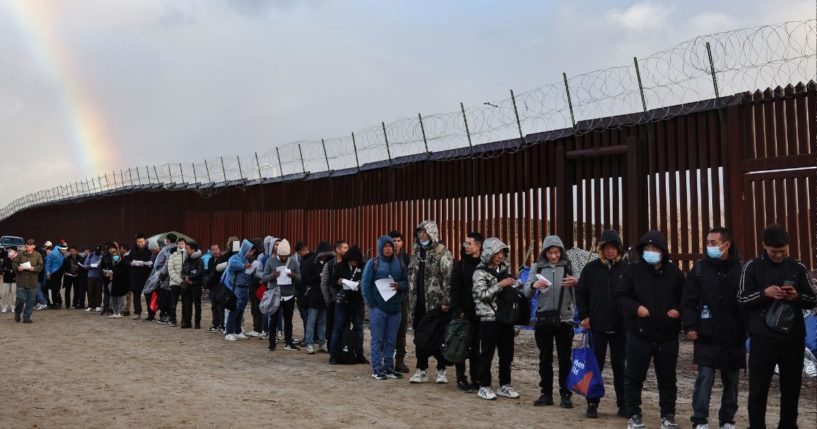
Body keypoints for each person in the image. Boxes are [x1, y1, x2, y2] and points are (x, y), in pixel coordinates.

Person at [738, 224, 817, 429]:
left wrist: (796, 296)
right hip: (762, 338)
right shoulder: (752, 267)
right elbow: (742, 298)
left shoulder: (797, 267)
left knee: (791, 389)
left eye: (783, 251)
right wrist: (765, 293)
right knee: (758, 389)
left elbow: (811, 299)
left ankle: (788, 425)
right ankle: (756, 425)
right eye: (774, 252)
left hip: (793, 338)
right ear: (765, 246)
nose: (779, 255)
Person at [617, 231, 685, 429]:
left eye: (655, 248)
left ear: (663, 251)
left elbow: (687, 298)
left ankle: (668, 415)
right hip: (639, 334)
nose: (651, 252)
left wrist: (678, 310)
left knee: (667, 378)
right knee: (634, 376)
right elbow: (621, 296)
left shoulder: (675, 273)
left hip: (667, 336)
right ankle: (634, 415)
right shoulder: (633, 271)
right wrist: (636, 308)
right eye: (647, 248)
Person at [681, 227, 744, 429]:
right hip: (706, 334)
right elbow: (688, 301)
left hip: (734, 336)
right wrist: (690, 325)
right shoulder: (699, 270)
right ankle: (699, 420)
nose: (709, 246)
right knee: (704, 379)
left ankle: (727, 420)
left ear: (726, 245)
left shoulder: (741, 270)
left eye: (713, 243)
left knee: (732, 382)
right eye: (708, 242)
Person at [575, 229, 630, 418]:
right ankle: (592, 403)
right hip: (596, 327)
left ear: (619, 250)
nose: (610, 251)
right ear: (601, 249)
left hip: (621, 327)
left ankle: (624, 404)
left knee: (620, 367)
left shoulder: (627, 269)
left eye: (614, 248)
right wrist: (585, 315)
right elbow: (581, 293)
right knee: (594, 366)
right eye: (606, 248)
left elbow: (634, 296)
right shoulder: (591, 269)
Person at [524, 235, 578, 408]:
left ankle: (565, 394)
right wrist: (534, 286)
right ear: (544, 252)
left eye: (556, 252)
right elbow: (526, 291)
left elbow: (583, 287)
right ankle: (546, 393)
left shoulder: (570, 266)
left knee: (565, 359)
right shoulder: (537, 266)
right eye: (550, 252)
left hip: (565, 319)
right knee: (544, 358)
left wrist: (576, 282)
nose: (553, 256)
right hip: (544, 318)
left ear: (561, 251)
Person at [472, 237, 521, 400]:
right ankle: (484, 386)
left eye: (502, 252)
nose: (500, 256)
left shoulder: (503, 270)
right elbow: (481, 295)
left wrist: (514, 285)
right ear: (488, 253)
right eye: (497, 252)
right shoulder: (479, 272)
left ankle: (504, 385)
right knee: (486, 354)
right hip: (489, 319)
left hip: (505, 318)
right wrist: (502, 285)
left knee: (507, 354)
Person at [407, 221, 454, 384]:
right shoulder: (416, 252)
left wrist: (446, 300)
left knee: (438, 337)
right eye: (419, 232)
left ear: (432, 233)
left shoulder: (443, 253)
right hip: (418, 303)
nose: (422, 236)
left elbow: (448, 279)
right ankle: (421, 369)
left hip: (436, 305)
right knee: (420, 337)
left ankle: (441, 370)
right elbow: (411, 275)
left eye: (425, 232)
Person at [362, 235, 408, 380]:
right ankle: (377, 368)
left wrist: (399, 285)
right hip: (378, 309)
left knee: (391, 339)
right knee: (377, 339)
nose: (388, 248)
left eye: (390, 246)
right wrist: (372, 304)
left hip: (395, 309)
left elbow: (408, 283)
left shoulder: (400, 264)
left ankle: (389, 367)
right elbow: (365, 284)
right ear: (380, 248)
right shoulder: (373, 263)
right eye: (385, 246)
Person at [449, 231, 483, 392]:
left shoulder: (484, 265)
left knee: (476, 347)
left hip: (480, 312)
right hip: (463, 312)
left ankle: (476, 378)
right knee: (460, 345)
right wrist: (458, 310)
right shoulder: (460, 265)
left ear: (478, 246)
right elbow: (454, 290)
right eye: (465, 243)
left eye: (469, 243)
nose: (466, 246)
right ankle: (461, 378)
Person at [329, 245, 367, 364]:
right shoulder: (341, 266)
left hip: (357, 302)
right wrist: (339, 281)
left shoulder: (364, 267)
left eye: (355, 261)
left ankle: (359, 354)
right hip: (342, 302)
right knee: (338, 328)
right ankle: (334, 355)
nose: (353, 263)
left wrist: (362, 283)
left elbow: (368, 282)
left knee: (359, 328)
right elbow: (332, 282)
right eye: (351, 260)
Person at [262, 239, 301, 350]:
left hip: (289, 295)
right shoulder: (271, 261)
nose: (284, 258)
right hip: (275, 295)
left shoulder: (294, 262)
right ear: (278, 253)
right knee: (273, 320)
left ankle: (288, 342)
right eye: (281, 256)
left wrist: (293, 276)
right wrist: (273, 275)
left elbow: (300, 279)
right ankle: (272, 344)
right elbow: (264, 277)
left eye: (286, 256)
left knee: (288, 320)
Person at [301, 241, 334, 354]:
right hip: (314, 295)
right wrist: (318, 276)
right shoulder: (311, 262)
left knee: (323, 321)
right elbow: (305, 279)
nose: (324, 256)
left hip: (325, 295)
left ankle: (322, 343)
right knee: (311, 321)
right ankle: (309, 344)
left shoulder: (330, 263)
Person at [222, 239, 255, 341]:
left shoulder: (246, 259)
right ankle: (229, 332)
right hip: (236, 288)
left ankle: (237, 331)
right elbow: (232, 264)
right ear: (245, 249)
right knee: (234, 310)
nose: (251, 253)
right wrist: (244, 266)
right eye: (250, 251)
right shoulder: (235, 258)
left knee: (240, 311)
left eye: (252, 251)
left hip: (245, 289)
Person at [390, 230, 412, 373]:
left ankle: (400, 360)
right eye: (393, 240)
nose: (396, 243)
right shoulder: (382, 258)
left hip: (402, 300)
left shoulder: (407, 258)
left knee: (401, 331)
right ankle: (385, 360)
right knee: (386, 331)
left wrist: (401, 286)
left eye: (398, 240)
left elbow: (411, 280)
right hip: (384, 300)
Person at [320, 240, 348, 353]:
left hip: (346, 300)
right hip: (332, 300)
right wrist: (328, 300)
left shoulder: (348, 264)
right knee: (331, 326)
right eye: (344, 247)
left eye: (347, 248)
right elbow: (324, 283)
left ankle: (343, 348)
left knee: (345, 326)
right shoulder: (330, 264)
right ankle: (332, 350)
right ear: (337, 250)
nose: (347, 250)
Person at [12, 239, 44, 323]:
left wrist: (34, 268)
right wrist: (17, 268)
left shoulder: (37, 255)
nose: (27, 246)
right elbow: (14, 263)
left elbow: (41, 266)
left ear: (34, 246)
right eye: (26, 244)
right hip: (21, 281)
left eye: (29, 245)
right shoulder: (20, 254)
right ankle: (17, 312)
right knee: (21, 299)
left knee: (31, 300)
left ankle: (26, 317)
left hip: (32, 281)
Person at [127, 233, 153, 320]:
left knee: (148, 295)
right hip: (135, 275)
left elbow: (152, 262)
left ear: (145, 241)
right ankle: (137, 313)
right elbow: (127, 260)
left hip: (146, 275)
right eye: (138, 242)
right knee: (136, 295)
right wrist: (131, 263)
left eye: (141, 242)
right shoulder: (133, 249)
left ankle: (150, 314)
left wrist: (145, 264)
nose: (140, 244)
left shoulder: (149, 249)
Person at [180, 242, 204, 329]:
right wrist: (185, 277)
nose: (186, 250)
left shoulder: (199, 260)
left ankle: (197, 323)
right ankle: (187, 322)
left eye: (188, 248)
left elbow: (199, 272)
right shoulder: (186, 260)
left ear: (193, 250)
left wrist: (190, 278)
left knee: (197, 305)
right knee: (187, 304)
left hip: (196, 285)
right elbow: (182, 271)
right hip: (187, 285)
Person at [167, 238, 187, 327]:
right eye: (179, 243)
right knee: (173, 302)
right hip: (175, 283)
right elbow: (170, 270)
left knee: (185, 303)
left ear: (185, 245)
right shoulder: (173, 255)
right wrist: (180, 281)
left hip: (186, 282)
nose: (180, 245)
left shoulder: (188, 255)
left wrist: (185, 280)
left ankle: (184, 320)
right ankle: (173, 319)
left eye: (182, 243)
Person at [108, 248, 129, 319]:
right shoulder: (114, 263)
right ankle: (115, 312)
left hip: (122, 283)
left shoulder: (124, 262)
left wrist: (115, 273)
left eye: (116, 255)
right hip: (114, 282)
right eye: (113, 256)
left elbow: (125, 273)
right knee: (114, 297)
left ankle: (120, 312)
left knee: (121, 298)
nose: (114, 257)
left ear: (119, 255)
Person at [83, 245, 104, 312]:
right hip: (91, 276)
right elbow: (85, 266)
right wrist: (90, 266)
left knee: (98, 291)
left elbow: (105, 264)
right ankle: (90, 305)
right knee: (90, 291)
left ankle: (98, 305)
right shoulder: (91, 255)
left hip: (99, 276)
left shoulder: (103, 255)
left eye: (99, 251)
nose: (98, 252)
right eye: (96, 251)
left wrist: (100, 266)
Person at [44, 243, 65, 309]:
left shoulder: (61, 253)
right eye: (63, 250)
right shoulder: (53, 254)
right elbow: (47, 263)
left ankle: (58, 302)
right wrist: (48, 273)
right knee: (53, 289)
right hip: (53, 273)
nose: (64, 251)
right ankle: (54, 302)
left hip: (59, 274)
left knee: (57, 289)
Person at [1, 248, 16, 313]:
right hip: (6, 278)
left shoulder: (17, 258)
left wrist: (12, 270)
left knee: (14, 294)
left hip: (14, 279)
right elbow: (2, 268)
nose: (9, 252)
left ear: (14, 251)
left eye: (10, 250)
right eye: (8, 251)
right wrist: (3, 270)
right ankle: (4, 307)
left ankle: (13, 307)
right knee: (4, 293)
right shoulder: (5, 258)